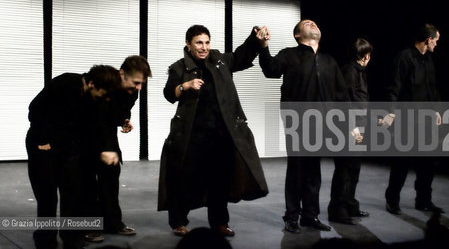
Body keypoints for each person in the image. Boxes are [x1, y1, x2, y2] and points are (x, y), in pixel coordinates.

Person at [158, 24, 269, 237]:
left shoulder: (219, 60)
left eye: (207, 42)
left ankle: (219, 222)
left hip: (221, 134)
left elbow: (241, 57)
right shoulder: (179, 67)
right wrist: (185, 86)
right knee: (185, 178)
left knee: (220, 180)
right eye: (199, 43)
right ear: (188, 44)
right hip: (192, 135)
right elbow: (168, 94)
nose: (204, 47)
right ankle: (179, 221)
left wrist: (255, 39)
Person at [258, 19, 352, 234]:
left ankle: (310, 215)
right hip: (298, 121)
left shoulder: (329, 61)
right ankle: (292, 216)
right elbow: (270, 70)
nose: (313, 24)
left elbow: (342, 95)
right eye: (307, 23)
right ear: (297, 35)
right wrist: (263, 48)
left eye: (315, 23)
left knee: (313, 171)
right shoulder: (289, 54)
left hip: (325, 123)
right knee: (297, 170)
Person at [26, 65, 121, 249]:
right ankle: (45, 241)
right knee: (47, 196)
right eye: (104, 93)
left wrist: (107, 149)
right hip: (42, 143)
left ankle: (72, 238)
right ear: (91, 83)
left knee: (73, 193)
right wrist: (45, 139)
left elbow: (102, 125)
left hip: (69, 145)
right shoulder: (65, 83)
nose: (106, 98)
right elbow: (35, 110)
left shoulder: (99, 97)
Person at [84, 56, 152, 242]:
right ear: (121, 74)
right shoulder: (106, 83)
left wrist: (124, 120)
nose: (139, 88)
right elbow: (96, 116)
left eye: (142, 84)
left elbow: (121, 110)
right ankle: (89, 226)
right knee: (87, 180)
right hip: (86, 132)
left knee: (111, 176)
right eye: (136, 82)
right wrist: (103, 148)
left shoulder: (133, 91)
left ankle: (113, 222)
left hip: (106, 133)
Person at [384, 23, 444, 215]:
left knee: (428, 163)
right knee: (402, 162)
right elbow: (395, 87)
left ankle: (423, 200)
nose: (436, 44)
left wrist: (437, 110)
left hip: (426, 120)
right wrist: (391, 113)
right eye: (436, 41)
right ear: (428, 40)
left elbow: (431, 88)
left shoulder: (429, 60)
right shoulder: (404, 58)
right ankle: (392, 200)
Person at [327, 38, 373, 225]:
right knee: (344, 170)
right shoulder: (349, 72)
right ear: (365, 56)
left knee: (353, 169)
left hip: (358, 127)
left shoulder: (358, 72)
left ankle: (350, 205)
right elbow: (343, 103)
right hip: (348, 129)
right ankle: (338, 210)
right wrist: (352, 127)